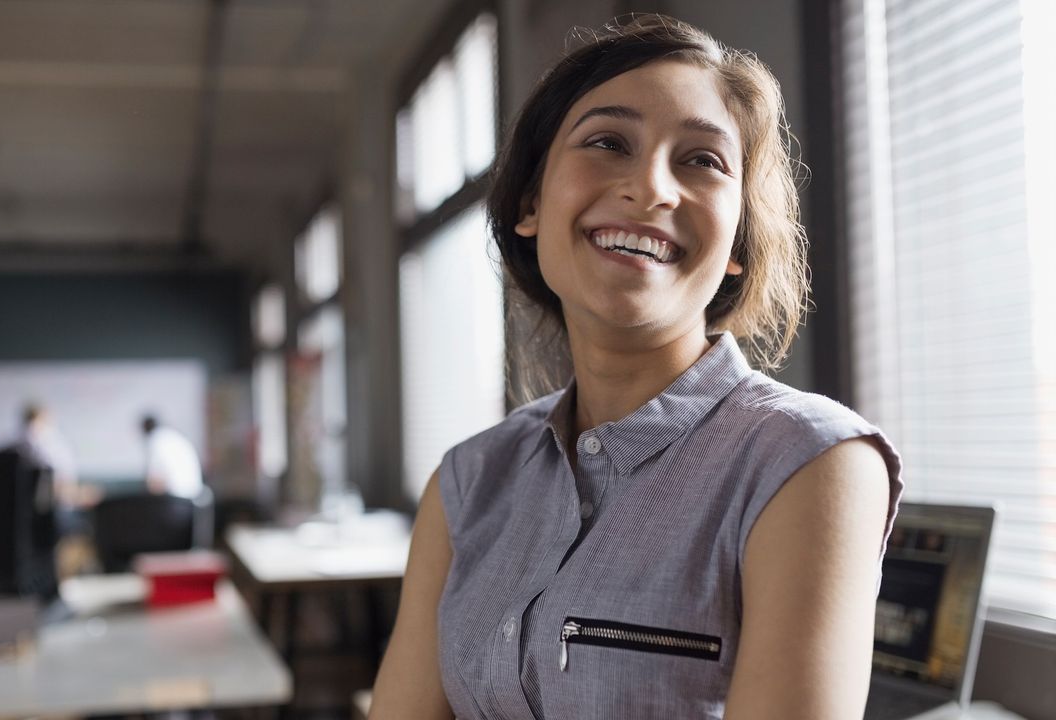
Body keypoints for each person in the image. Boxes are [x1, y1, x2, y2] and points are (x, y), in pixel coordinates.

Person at [371, 15, 903, 719]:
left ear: (738, 240)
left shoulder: (808, 464)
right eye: (607, 142)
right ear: (531, 202)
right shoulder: (467, 484)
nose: (652, 187)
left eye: (702, 161)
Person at [141, 414, 204, 499]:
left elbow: (155, 481)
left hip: (176, 500)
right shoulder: (173, 436)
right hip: (194, 498)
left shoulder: (156, 440)